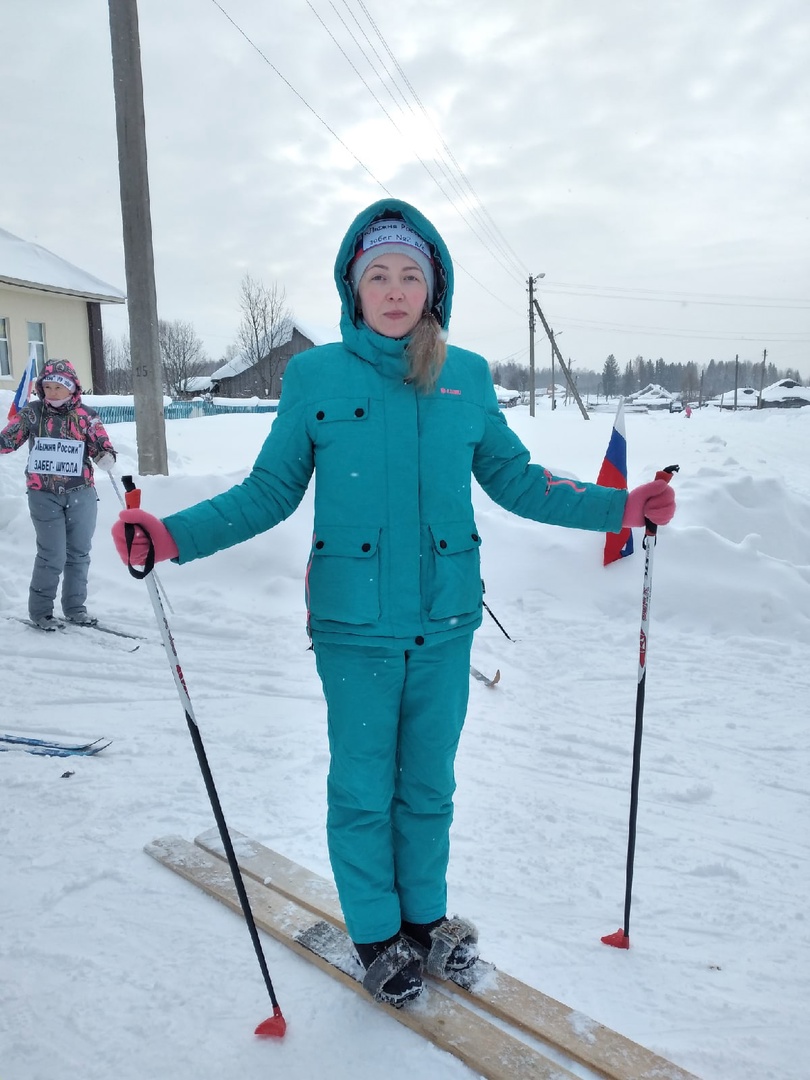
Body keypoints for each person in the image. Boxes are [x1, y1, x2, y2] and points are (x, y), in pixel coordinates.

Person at [111, 200, 675, 1006]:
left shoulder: (466, 377)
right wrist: (168, 536)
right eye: (378, 273)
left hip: (445, 621)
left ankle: (423, 922)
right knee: (364, 786)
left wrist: (624, 507)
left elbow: (519, 481)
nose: (395, 287)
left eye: (412, 273)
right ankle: (376, 933)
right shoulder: (315, 377)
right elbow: (269, 491)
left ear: (435, 286)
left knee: (430, 788)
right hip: (353, 627)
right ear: (353, 286)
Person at [1, 358, 117, 630]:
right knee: (52, 553)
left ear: (72, 388)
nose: (52, 392)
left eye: (58, 387)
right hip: (43, 495)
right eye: (48, 387)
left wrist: (105, 457)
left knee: (78, 553)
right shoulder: (32, 413)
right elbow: (9, 440)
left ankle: (75, 608)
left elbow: (102, 445)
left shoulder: (87, 416)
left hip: (81, 492)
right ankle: (41, 612)